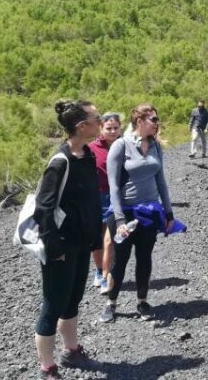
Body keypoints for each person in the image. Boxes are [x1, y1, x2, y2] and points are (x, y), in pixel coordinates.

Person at [34, 100, 102, 379]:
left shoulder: (87, 156)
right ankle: (47, 367)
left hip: (80, 242)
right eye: (96, 119)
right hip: (60, 245)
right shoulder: (60, 162)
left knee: (73, 299)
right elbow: (43, 208)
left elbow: (90, 202)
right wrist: (54, 248)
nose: (100, 122)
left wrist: (95, 239)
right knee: (53, 305)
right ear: (81, 126)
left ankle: (71, 350)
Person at [100, 104, 175, 323]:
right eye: (153, 119)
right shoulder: (121, 146)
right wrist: (120, 218)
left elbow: (161, 181)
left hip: (150, 212)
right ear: (139, 121)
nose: (156, 123)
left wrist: (168, 213)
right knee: (120, 260)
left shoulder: (155, 147)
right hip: (125, 212)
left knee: (144, 258)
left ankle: (142, 301)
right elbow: (113, 186)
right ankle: (111, 303)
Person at [87, 112, 122, 294]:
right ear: (101, 127)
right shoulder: (91, 148)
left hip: (117, 197)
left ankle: (108, 273)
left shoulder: (125, 145)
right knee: (96, 239)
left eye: (116, 127)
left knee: (110, 239)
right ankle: (99, 270)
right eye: (109, 128)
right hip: (96, 197)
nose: (112, 131)